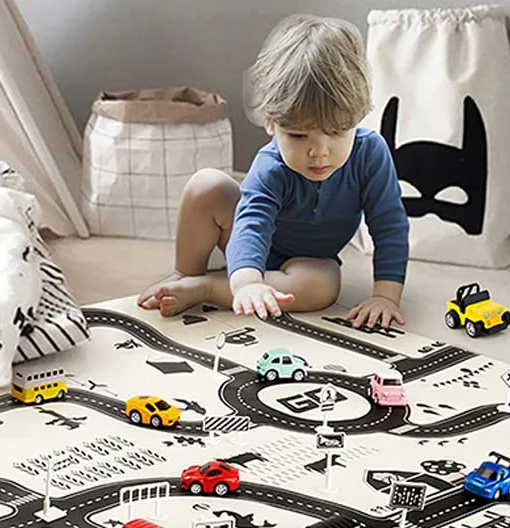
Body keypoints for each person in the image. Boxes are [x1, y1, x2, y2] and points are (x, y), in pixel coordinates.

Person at [138, 14, 409, 329]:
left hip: (310, 261)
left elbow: (389, 225)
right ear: (271, 123)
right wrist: (248, 281)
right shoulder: (271, 165)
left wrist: (386, 297)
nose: (319, 151)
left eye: (336, 132)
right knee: (206, 186)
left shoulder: (371, 153)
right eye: (298, 136)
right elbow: (251, 223)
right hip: (245, 242)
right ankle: (187, 274)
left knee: (321, 288)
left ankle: (208, 287)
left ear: (357, 119)